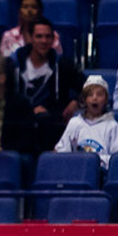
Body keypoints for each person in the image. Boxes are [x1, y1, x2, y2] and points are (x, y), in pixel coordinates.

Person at [9, 17, 84, 154]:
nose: (44, 41)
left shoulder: (63, 64)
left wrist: (76, 101)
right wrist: (28, 110)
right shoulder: (12, 64)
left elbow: (88, 88)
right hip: (19, 123)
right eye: (39, 36)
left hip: (52, 123)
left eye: (48, 37)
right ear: (30, 38)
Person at [54, 75, 118, 169]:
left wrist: (95, 161)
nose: (94, 98)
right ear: (84, 100)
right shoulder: (75, 123)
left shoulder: (112, 126)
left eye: (99, 95)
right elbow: (61, 151)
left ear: (105, 100)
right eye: (90, 95)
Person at [0, 53, 37, 158]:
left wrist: (4, 149)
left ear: (2, 78)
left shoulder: (20, 105)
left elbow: (26, 140)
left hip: (6, 159)